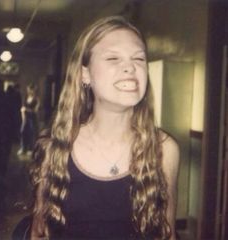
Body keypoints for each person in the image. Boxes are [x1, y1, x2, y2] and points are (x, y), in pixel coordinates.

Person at [30, 16, 180, 240]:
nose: (130, 67)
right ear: (85, 74)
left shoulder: (164, 150)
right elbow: (39, 233)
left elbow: (166, 234)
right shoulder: (54, 148)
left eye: (139, 58)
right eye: (113, 58)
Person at [17, 83, 40, 155]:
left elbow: (35, 110)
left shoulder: (37, 99)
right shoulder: (26, 97)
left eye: (30, 90)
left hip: (32, 119)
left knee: (31, 133)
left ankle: (30, 149)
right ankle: (23, 148)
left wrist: (26, 109)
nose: (29, 91)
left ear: (33, 90)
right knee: (23, 132)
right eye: (28, 90)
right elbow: (22, 108)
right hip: (25, 118)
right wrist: (23, 116)